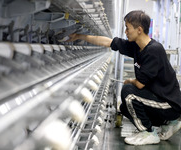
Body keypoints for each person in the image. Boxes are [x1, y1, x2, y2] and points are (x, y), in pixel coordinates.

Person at [68, 10, 181, 145]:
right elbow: (108, 42)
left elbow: (139, 85)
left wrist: (130, 81)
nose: (126, 32)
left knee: (128, 91)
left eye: (127, 28)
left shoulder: (153, 50)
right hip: (158, 100)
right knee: (125, 109)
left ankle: (149, 133)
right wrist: (79, 36)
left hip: (169, 104)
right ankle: (168, 123)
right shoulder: (136, 46)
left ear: (139, 29)